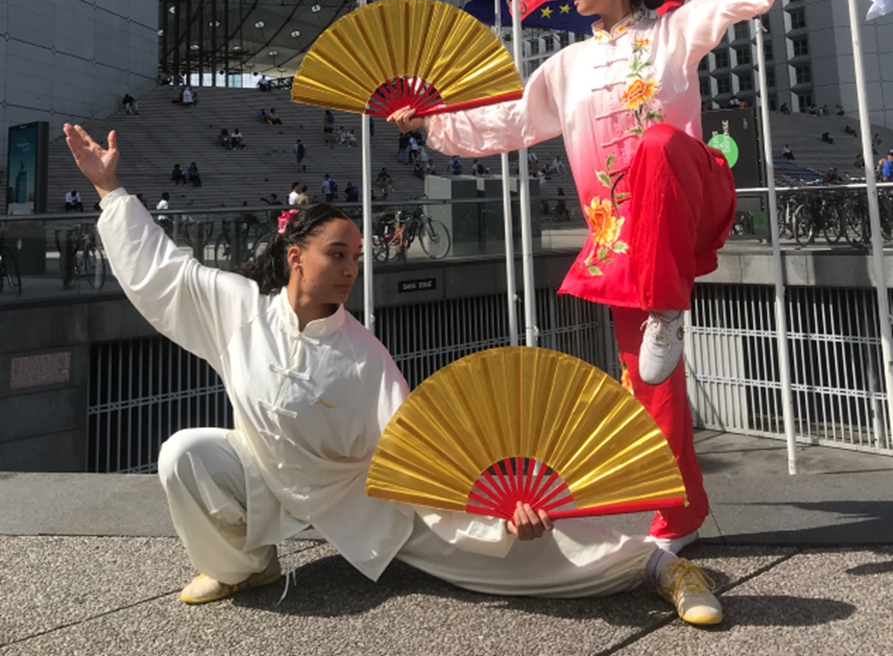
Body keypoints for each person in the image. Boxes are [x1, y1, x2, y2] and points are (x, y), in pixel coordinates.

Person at [62, 124, 723, 626]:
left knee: (532, 565)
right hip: (266, 474)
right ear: (295, 257)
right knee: (185, 453)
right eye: (336, 255)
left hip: (369, 504)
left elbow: (427, 459)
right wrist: (108, 190)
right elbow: (164, 272)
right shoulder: (236, 308)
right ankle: (243, 567)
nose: (351, 269)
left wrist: (509, 517)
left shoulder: (363, 357)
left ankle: (662, 563)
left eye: (356, 257)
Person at [389, 0, 819, 554]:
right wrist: (431, 123)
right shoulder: (565, 69)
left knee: (655, 146)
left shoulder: (675, 31)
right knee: (650, 382)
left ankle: (666, 308)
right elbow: (509, 122)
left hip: (691, 203)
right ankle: (672, 521)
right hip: (620, 242)